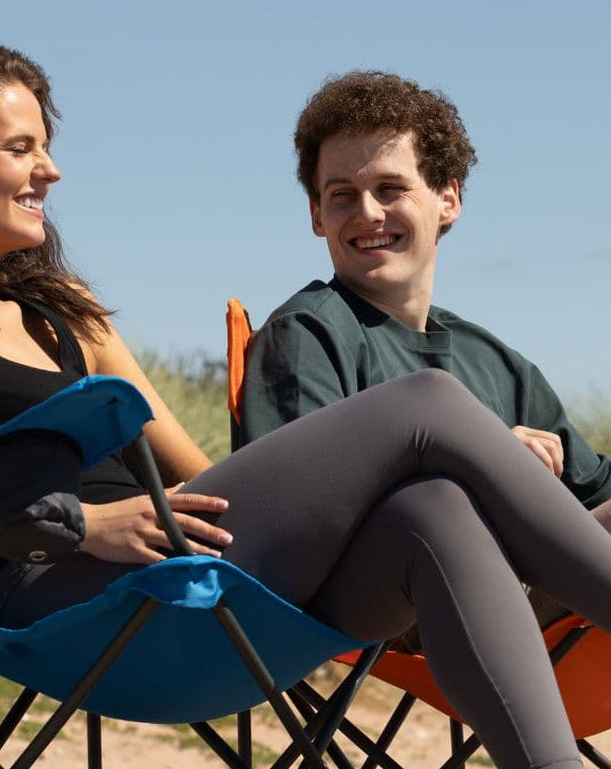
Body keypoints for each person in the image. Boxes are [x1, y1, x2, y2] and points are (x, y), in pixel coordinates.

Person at [0, 43, 611, 769]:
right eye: (20, 147)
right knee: (429, 403)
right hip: (68, 597)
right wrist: (85, 525)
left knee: (430, 509)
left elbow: (211, 473)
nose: (50, 171)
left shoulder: (69, 314)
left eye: (45, 146)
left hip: (193, 576)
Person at [240, 70, 611, 632]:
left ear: (448, 198)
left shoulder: (496, 362)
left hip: (538, 602)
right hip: (400, 600)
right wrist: (489, 470)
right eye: (342, 195)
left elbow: (595, 495)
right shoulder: (307, 333)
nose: (367, 212)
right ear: (317, 216)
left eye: (390, 189)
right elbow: (293, 520)